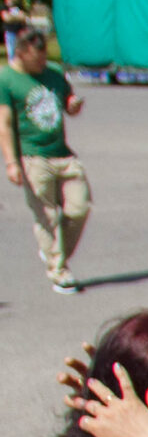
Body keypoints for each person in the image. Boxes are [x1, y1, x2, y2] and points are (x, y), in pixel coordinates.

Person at [0, 30, 87, 294]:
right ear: (22, 53)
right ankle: (58, 271)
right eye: (36, 60)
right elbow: (4, 124)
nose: (41, 64)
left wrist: (72, 104)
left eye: (43, 58)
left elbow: (66, 98)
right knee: (47, 216)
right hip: (32, 157)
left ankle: (52, 251)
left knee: (79, 207)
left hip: (63, 154)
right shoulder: (6, 78)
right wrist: (11, 163)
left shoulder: (52, 72)